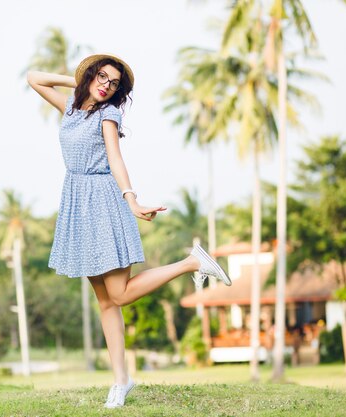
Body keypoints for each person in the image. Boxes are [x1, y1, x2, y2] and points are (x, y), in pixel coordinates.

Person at [27, 53, 231, 408]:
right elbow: (33, 78)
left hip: (104, 200)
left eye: (114, 83)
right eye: (101, 78)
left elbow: (116, 157)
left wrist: (132, 200)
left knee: (118, 295)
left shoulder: (109, 115)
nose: (107, 86)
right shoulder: (72, 110)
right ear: (90, 76)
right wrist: (75, 81)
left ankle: (191, 264)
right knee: (106, 302)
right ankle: (121, 382)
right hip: (77, 203)